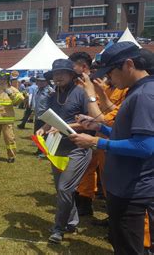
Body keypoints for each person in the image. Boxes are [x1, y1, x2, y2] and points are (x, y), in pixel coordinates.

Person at [69, 42, 154, 254]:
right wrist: (100, 127)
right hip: (126, 185)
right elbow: (129, 134)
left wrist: (96, 142)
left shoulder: (144, 95)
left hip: (132, 190)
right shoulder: (138, 90)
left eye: (111, 73)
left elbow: (145, 146)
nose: (109, 79)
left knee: (129, 248)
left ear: (128, 64)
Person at [36, 59, 92, 244]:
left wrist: (64, 127)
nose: (58, 76)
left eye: (62, 73)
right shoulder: (53, 96)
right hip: (56, 147)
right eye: (55, 74)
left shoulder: (81, 93)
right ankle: (72, 222)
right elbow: (53, 118)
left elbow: (90, 121)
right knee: (63, 190)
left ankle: (58, 229)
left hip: (78, 148)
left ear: (71, 75)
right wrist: (43, 128)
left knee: (64, 188)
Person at [0, 71, 24, 163]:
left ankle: (11, 156)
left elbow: (18, 101)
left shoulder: (13, 89)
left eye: (4, 79)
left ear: (8, 80)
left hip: (7, 120)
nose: (2, 81)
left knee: (9, 139)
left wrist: (11, 94)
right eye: (1, 79)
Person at [31, 74, 54, 155]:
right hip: (38, 116)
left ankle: (44, 152)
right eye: (39, 81)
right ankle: (39, 150)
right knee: (38, 134)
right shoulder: (37, 90)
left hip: (46, 117)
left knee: (45, 135)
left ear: (47, 82)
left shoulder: (50, 91)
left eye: (43, 81)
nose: (40, 82)